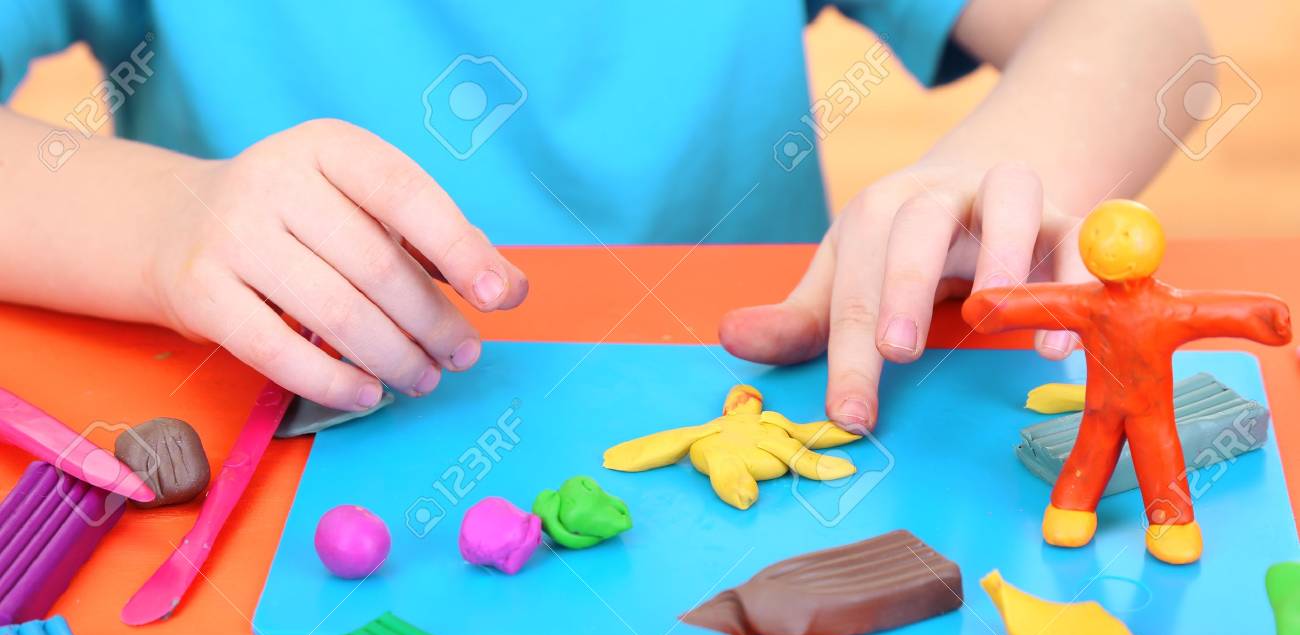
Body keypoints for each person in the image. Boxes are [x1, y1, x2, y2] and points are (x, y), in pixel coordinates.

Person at [0, 0, 1210, 432]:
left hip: (770, 419)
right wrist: (169, 222)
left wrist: (1010, 167)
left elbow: (1147, 31)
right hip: (275, 440)